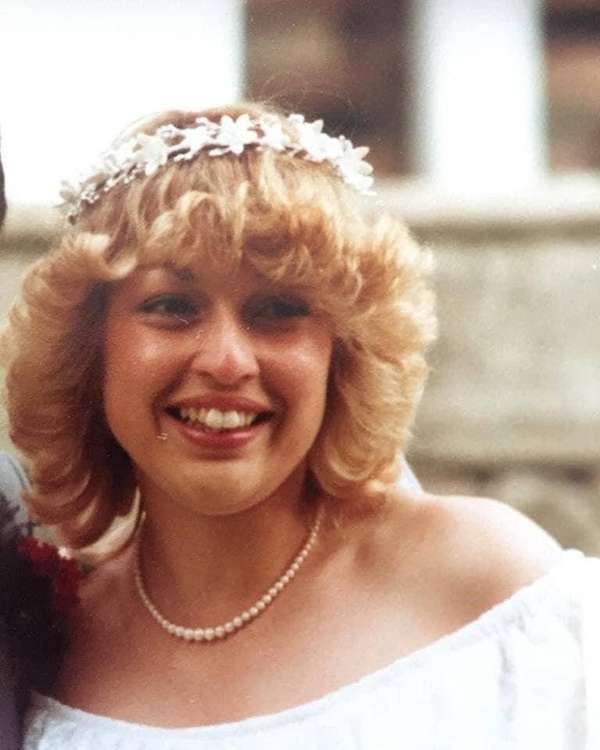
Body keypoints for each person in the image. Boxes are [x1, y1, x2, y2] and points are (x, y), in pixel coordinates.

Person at [1, 103, 597, 748]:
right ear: (92, 349)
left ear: (343, 353)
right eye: (172, 306)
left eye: (278, 309)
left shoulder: (489, 586)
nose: (226, 362)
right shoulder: (54, 639)